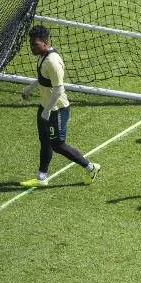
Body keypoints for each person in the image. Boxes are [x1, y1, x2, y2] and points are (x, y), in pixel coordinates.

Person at [19, 25, 100, 187]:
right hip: (45, 107)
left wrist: (47, 111)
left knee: (57, 144)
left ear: (45, 42)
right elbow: (43, 78)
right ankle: (42, 177)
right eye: (31, 44)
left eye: (35, 44)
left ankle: (91, 168)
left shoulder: (53, 62)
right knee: (45, 140)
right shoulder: (43, 56)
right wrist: (29, 88)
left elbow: (58, 90)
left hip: (57, 109)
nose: (32, 47)